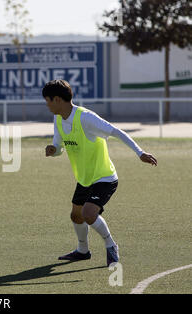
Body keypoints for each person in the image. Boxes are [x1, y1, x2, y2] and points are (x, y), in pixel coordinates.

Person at [43, 79, 157, 266]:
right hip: (84, 178)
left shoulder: (86, 117)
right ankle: (82, 251)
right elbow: (58, 146)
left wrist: (140, 153)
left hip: (104, 177)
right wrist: (53, 150)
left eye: (47, 100)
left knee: (88, 213)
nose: (46, 105)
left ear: (57, 99)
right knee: (76, 216)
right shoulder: (58, 119)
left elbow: (116, 131)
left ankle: (111, 245)